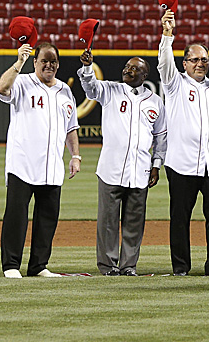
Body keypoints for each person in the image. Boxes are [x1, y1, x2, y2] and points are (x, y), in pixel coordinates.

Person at [159, 10, 209, 276]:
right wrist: (167, 35)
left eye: (204, 60)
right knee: (180, 219)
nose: (200, 64)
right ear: (185, 64)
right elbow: (164, 63)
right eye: (194, 60)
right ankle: (181, 267)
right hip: (182, 163)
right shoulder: (174, 84)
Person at [78, 51, 167, 276]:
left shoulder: (155, 102)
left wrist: (156, 165)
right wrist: (88, 68)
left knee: (134, 223)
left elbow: (161, 137)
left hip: (140, 170)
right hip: (111, 168)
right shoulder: (110, 90)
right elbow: (90, 88)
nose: (128, 70)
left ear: (145, 75)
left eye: (135, 68)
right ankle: (108, 266)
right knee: (107, 222)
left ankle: (129, 266)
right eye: (127, 66)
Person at [0, 42, 81, 278]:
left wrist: (75, 155)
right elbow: (2, 89)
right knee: (16, 216)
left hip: (52, 167)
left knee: (47, 218)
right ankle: (11, 265)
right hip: (22, 164)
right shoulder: (22, 82)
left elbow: (71, 127)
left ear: (58, 64)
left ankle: (39, 266)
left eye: (53, 61)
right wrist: (18, 63)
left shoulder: (65, 91)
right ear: (35, 62)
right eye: (44, 60)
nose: (49, 65)